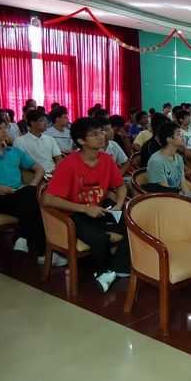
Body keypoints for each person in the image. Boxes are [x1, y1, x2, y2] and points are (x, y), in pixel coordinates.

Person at [43, 118, 131, 293]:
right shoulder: (68, 164)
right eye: (94, 134)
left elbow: (120, 186)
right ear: (81, 141)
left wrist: (119, 205)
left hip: (101, 209)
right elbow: (48, 199)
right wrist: (85, 209)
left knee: (134, 227)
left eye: (101, 132)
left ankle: (116, 268)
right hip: (75, 213)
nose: (101, 136)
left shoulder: (106, 160)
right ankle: (104, 270)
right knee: (99, 238)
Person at [0, 115, 53, 264]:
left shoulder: (14, 151)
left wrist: (33, 184)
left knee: (33, 198)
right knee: (34, 203)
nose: (4, 131)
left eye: (5, 128)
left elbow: (39, 168)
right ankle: (41, 252)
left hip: (16, 196)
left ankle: (23, 238)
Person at [146, 122, 191, 208]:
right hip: (167, 202)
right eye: (179, 134)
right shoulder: (156, 161)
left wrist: (190, 198)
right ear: (169, 139)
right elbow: (165, 192)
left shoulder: (178, 158)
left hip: (180, 196)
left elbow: (183, 184)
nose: (182, 137)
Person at [14, 110, 62, 174]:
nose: (46, 124)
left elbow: (59, 159)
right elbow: (20, 163)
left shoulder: (50, 139)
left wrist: (56, 171)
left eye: (46, 121)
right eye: (41, 121)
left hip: (53, 172)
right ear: (32, 123)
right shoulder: (19, 141)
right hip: (33, 174)